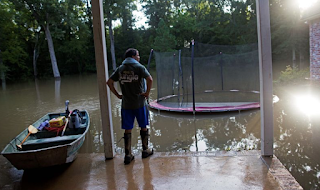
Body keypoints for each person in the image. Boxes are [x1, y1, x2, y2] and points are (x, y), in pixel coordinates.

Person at [107, 48, 153, 165]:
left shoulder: (120, 69)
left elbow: (109, 82)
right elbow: (150, 79)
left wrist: (117, 95)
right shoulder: (139, 67)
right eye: (138, 55)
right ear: (133, 56)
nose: (139, 57)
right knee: (143, 126)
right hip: (139, 103)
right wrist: (147, 93)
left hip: (126, 105)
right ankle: (145, 150)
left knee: (128, 129)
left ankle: (128, 155)